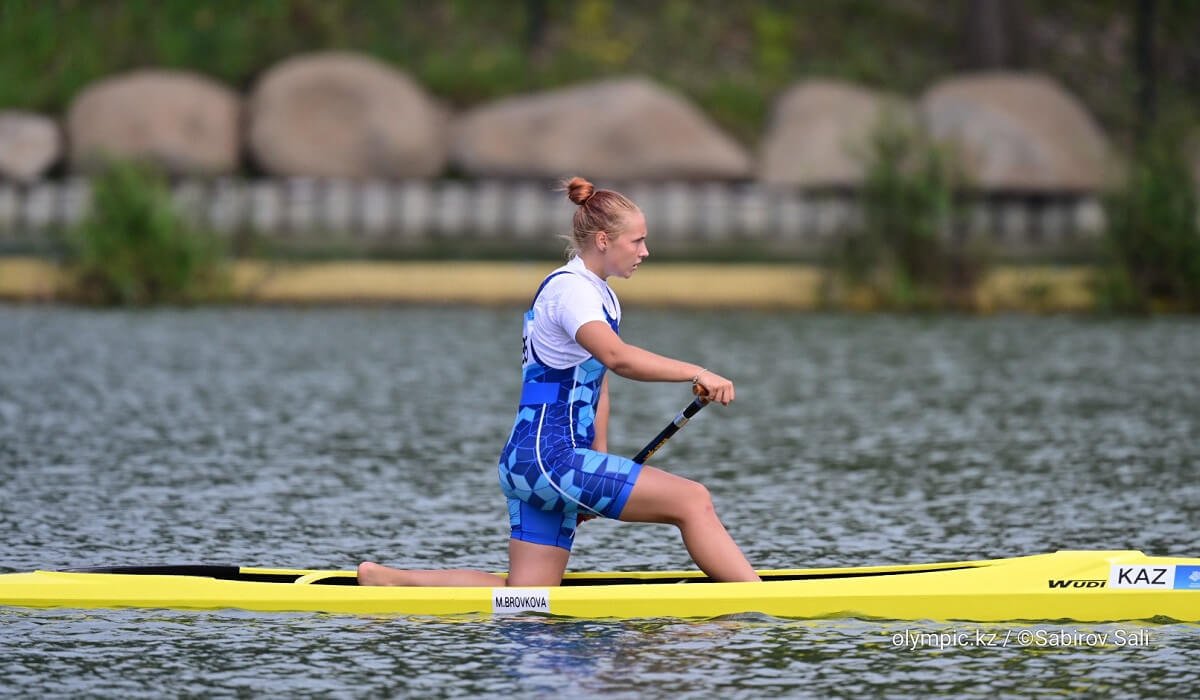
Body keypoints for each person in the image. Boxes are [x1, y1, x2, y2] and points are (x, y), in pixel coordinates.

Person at [358, 177, 759, 587]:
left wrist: (600, 465)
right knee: (693, 501)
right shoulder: (571, 292)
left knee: (526, 599)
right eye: (637, 241)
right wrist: (697, 372)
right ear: (603, 240)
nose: (645, 251)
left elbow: (598, 384)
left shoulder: (598, 294)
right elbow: (617, 358)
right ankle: (758, 601)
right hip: (552, 460)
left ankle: (389, 580)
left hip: (534, 463)